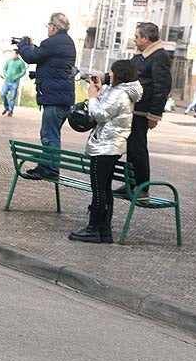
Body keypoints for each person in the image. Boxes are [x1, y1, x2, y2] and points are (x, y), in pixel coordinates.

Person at [68, 61, 142, 243]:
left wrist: (92, 96)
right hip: (111, 145)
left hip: (105, 146)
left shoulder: (120, 93)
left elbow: (99, 114)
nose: (110, 75)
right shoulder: (121, 92)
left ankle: (94, 228)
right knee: (105, 188)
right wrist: (100, 91)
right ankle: (104, 230)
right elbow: (107, 110)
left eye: (112, 73)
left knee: (99, 189)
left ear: (120, 75)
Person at [114, 22, 173, 203]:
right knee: (131, 149)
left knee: (138, 150)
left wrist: (154, 115)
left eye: (137, 36)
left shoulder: (159, 57)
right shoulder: (141, 56)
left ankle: (142, 188)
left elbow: (161, 87)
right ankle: (131, 184)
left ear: (146, 38)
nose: (135, 39)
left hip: (142, 111)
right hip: (134, 108)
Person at [18, 12, 77, 179]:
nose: (48, 28)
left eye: (48, 25)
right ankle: (47, 165)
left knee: (49, 135)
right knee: (51, 134)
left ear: (54, 27)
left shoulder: (53, 42)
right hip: (62, 97)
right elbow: (48, 60)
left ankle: (50, 169)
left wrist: (23, 46)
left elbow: (31, 57)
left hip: (55, 98)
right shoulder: (66, 42)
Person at [1, 47, 26, 116]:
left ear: (17, 54)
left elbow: (23, 71)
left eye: (13, 54)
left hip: (14, 82)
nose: (12, 55)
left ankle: (10, 111)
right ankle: (6, 107)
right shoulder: (9, 61)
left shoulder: (20, 63)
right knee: (3, 94)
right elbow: (4, 68)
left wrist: (17, 76)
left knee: (12, 97)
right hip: (7, 81)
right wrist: (5, 74)